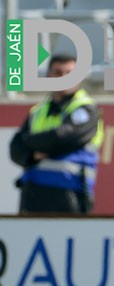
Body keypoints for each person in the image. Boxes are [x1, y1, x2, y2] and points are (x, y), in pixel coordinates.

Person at [10, 53, 103, 214]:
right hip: (33, 192)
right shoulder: (38, 110)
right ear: (48, 76)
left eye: (69, 74)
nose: (64, 78)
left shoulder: (86, 108)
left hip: (71, 191)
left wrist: (30, 143)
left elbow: (63, 137)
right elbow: (15, 148)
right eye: (58, 73)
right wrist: (32, 155)